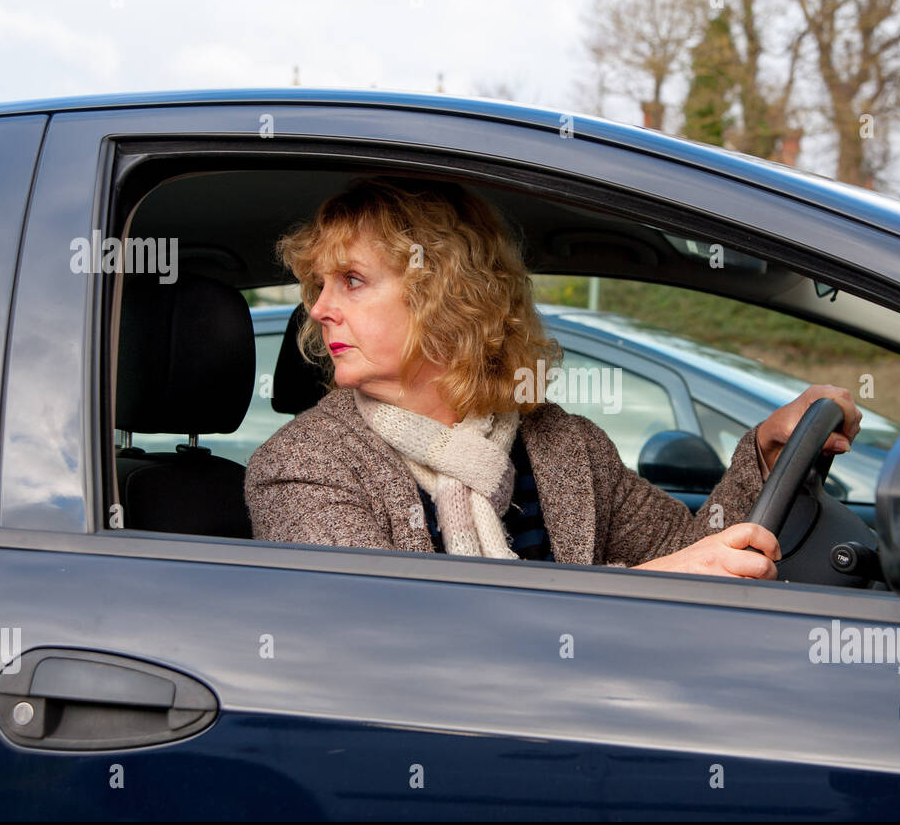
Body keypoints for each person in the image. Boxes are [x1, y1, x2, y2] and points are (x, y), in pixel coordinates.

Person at [244, 177, 861, 578]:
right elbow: (389, 644)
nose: (319, 308)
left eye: (350, 280)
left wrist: (763, 452)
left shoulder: (564, 445)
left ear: (447, 295)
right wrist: (648, 590)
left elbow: (700, 551)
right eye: (318, 286)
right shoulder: (300, 466)